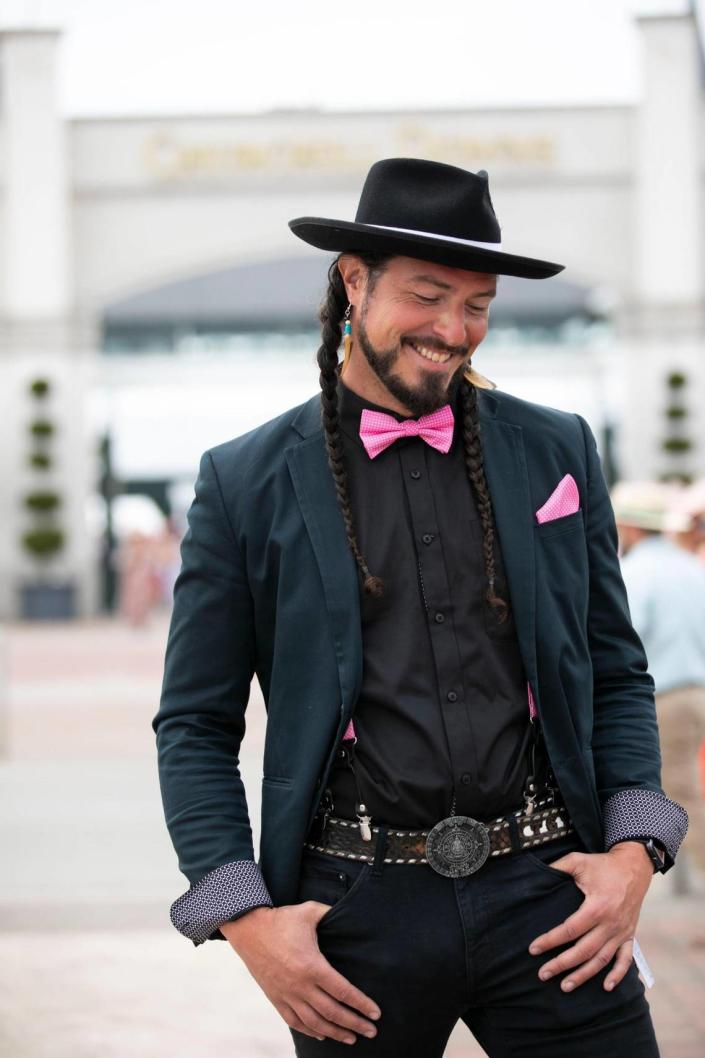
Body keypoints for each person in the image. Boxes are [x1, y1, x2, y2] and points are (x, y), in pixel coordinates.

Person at [153, 158, 687, 1057]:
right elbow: (196, 725)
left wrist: (635, 853)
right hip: (352, 914)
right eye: (428, 296)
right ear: (352, 283)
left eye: (476, 305)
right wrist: (241, 916)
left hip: (553, 893)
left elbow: (614, 669)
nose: (453, 329)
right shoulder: (243, 480)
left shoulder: (556, 449)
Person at [613, 482, 705, 894]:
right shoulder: (691, 567)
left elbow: (625, 643)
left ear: (630, 528)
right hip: (698, 687)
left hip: (665, 694)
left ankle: (695, 888)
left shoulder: (636, 573)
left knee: (681, 788)